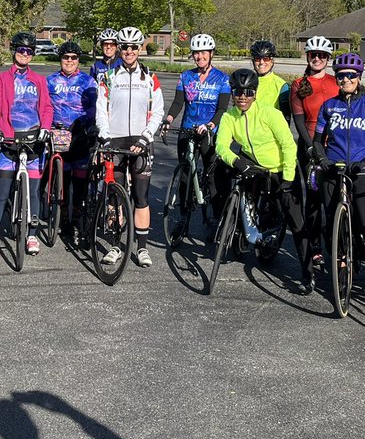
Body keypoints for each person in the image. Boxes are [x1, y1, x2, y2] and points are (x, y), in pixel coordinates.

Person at [312, 54, 365, 311]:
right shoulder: (328, 106)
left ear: (359, 78)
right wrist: (322, 159)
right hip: (335, 170)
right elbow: (318, 140)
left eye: (351, 75)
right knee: (333, 229)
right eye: (341, 75)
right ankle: (340, 278)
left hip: (363, 173)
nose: (346, 79)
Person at [216, 68, 312, 293]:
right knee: (230, 175)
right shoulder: (230, 116)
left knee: (297, 223)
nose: (242, 97)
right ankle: (241, 231)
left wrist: (287, 178)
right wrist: (236, 160)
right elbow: (221, 146)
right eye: (237, 92)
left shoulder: (270, 114)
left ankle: (308, 273)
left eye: (248, 92)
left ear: (255, 93)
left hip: (280, 170)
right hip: (255, 167)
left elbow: (289, 145)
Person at [95, 27, 164, 268]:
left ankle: (142, 248)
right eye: (125, 47)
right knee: (115, 197)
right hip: (116, 141)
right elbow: (101, 111)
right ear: (120, 49)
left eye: (134, 47)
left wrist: (146, 138)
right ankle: (115, 244)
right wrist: (105, 137)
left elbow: (157, 112)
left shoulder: (150, 77)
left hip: (141, 143)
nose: (129, 51)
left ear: (140, 48)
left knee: (141, 197)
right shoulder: (108, 77)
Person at [0, 32, 54, 261]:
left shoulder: (39, 80)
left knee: (33, 191)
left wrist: (46, 127)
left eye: (29, 51)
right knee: (2, 193)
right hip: (9, 141)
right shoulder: (2, 79)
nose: (25, 54)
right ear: (14, 51)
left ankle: (32, 235)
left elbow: (47, 108)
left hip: (33, 141)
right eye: (21, 50)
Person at [163, 33, 230, 214]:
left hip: (210, 132)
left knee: (211, 176)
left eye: (204, 53)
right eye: (196, 53)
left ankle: (215, 217)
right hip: (188, 129)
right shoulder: (186, 76)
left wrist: (210, 125)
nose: (200, 57)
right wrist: (168, 119)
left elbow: (222, 109)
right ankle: (182, 218)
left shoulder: (222, 79)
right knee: (185, 175)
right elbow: (178, 102)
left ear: (211, 54)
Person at [46, 40, 97, 241]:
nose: (69, 60)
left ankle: (76, 216)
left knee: (80, 178)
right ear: (61, 59)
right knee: (63, 178)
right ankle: (63, 217)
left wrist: (86, 123)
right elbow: (43, 106)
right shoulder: (50, 80)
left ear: (78, 60)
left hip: (80, 134)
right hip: (57, 132)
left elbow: (94, 107)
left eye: (73, 57)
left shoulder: (87, 81)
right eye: (66, 57)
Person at [289, 36, 339, 167]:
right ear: (307, 57)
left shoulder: (337, 82)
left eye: (322, 55)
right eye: (313, 55)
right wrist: (310, 146)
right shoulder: (298, 85)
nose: (317, 59)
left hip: (335, 143)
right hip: (309, 142)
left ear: (328, 58)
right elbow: (298, 121)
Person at [250, 40, 290, 116]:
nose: (262, 62)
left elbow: (285, 118)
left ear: (272, 61)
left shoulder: (281, 85)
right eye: (258, 59)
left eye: (266, 59)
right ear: (253, 61)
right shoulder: (246, 81)